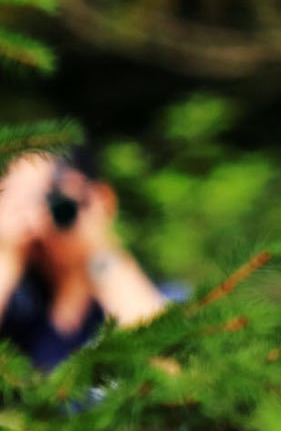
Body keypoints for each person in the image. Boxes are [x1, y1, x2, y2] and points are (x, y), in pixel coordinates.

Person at [0, 145, 169, 370]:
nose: (39, 213)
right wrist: (7, 254)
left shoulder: (157, 297)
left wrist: (98, 249)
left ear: (102, 198)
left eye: (52, 192)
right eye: (19, 199)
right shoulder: (16, 312)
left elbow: (176, 369)